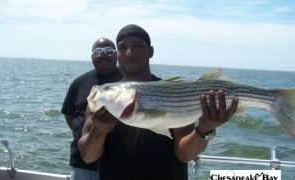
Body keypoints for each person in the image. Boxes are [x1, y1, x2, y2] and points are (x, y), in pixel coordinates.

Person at [78, 24, 239, 180]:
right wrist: (98, 131)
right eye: (122, 47)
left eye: (137, 46)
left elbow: (185, 155)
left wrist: (205, 130)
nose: (129, 52)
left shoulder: (172, 93)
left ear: (151, 51)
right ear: (116, 54)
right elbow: (88, 156)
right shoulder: (103, 100)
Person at [61, 37, 123, 180]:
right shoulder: (79, 82)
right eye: (98, 52)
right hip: (82, 164)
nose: (103, 55)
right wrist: (85, 134)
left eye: (108, 51)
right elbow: (69, 114)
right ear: (92, 56)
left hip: (117, 163)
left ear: (116, 54)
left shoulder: (127, 82)